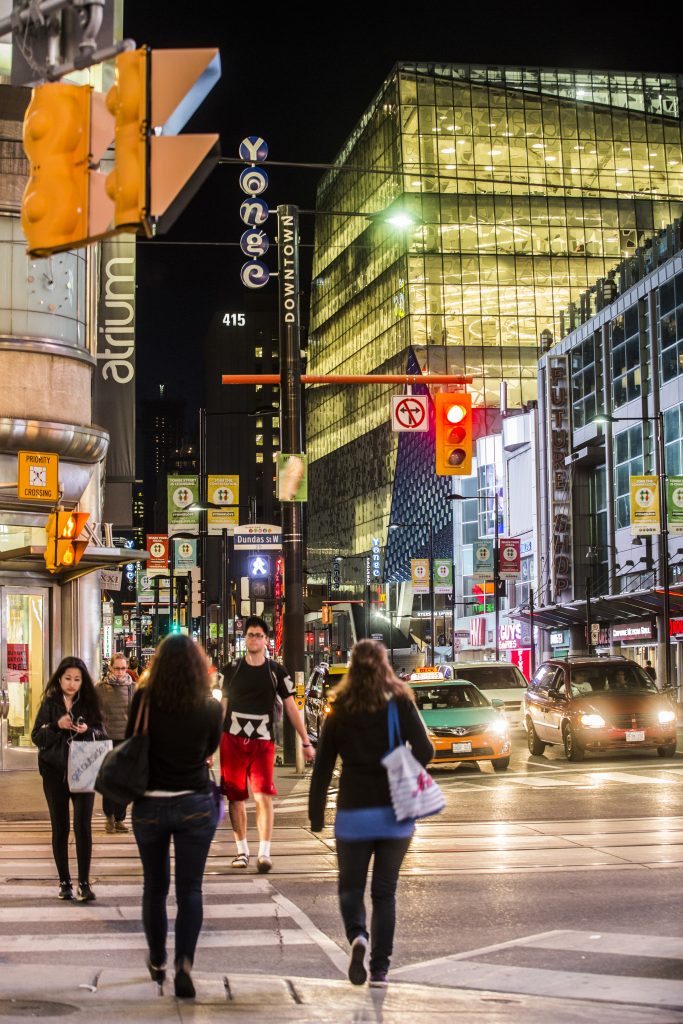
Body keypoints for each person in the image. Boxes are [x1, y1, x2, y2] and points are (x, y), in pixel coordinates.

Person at [309, 639, 434, 988]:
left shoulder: (341, 707)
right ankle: (380, 969)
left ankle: (357, 936)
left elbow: (322, 767)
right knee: (384, 893)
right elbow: (426, 749)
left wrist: (316, 815)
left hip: (353, 811)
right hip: (395, 812)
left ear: (352, 668)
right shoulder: (400, 703)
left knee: (350, 887)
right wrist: (403, 767)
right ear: (384, 666)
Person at [128, 634, 223, 999]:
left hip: (150, 802)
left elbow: (130, 740)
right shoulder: (208, 706)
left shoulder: (145, 698)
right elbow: (210, 747)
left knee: (154, 886)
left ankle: (157, 959)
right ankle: (185, 962)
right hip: (194, 802)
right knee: (191, 889)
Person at [220, 615, 314, 873]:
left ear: (266, 640)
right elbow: (222, 708)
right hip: (232, 740)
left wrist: (305, 740)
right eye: (250, 634)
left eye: (259, 635)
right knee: (236, 796)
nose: (254, 639)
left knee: (263, 795)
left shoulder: (276, 671)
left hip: (263, 741)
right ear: (245, 638)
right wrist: (209, 744)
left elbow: (292, 707)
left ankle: (264, 852)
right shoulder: (231, 669)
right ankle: (241, 851)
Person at [31, 657, 105, 902]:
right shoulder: (50, 703)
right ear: (59, 679)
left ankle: (84, 883)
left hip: (84, 769)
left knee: (83, 826)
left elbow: (102, 733)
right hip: (54, 772)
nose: (72, 684)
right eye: (67, 678)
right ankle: (64, 882)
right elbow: (36, 736)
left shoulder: (90, 703)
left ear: (83, 681)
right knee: (60, 827)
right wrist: (56, 725)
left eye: (77, 679)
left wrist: (88, 731)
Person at [96, 653, 136, 833]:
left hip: (126, 740)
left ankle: (120, 818)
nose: (120, 672)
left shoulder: (133, 688)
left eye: (123, 668)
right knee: (108, 780)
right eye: (117, 668)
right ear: (110, 667)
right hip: (106, 739)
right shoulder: (101, 688)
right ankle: (109, 816)